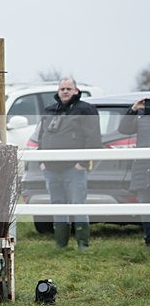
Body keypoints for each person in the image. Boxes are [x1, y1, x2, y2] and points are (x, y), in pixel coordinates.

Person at [36, 78, 102, 250]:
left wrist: (83, 162)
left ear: (76, 90)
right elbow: (41, 137)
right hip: (50, 168)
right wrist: (41, 160)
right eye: (62, 88)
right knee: (57, 205)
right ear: (58, 91)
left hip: (75, 168)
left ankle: (83, 244)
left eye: (68, 88)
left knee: (78, 204)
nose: (65, 91)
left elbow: (93, 138)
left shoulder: (86, 110)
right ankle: (60, 244)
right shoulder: (50, 110)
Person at [118, 97, 150, 245]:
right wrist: (133, 110)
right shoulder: (140, 116)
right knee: (144, 203)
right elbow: (123, 129)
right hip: (143, 167)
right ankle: (149, 238)